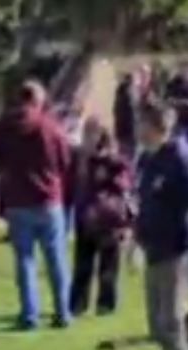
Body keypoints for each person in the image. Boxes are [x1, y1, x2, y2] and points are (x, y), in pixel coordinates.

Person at [135, 102, 188, 350]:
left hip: (176, 248)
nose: (138, 130)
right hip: (153, 248)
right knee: (156, 324)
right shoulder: (148, 160)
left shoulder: (179, 158)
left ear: (157, 127)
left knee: (171, 319)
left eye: (143, 124)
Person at [0, 80, 73, 330]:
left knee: (25, 260)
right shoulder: (49, 126)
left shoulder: (5, 126)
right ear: (40, 100)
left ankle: (30, 314)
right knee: (56, 258)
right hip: (48, 199)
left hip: (17, 200)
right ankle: (62, 311)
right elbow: (64, 161)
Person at [70, 119, 133, 317]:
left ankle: (106, 303)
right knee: (82, 264)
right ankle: (78, 304)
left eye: (91, 133)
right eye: (85, 132)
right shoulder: (79, 157)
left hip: (107, 219)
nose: (87, 137)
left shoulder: (114, 161)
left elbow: (124, 185)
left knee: (108, 266)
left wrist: (108, 173)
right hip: (84, 217)